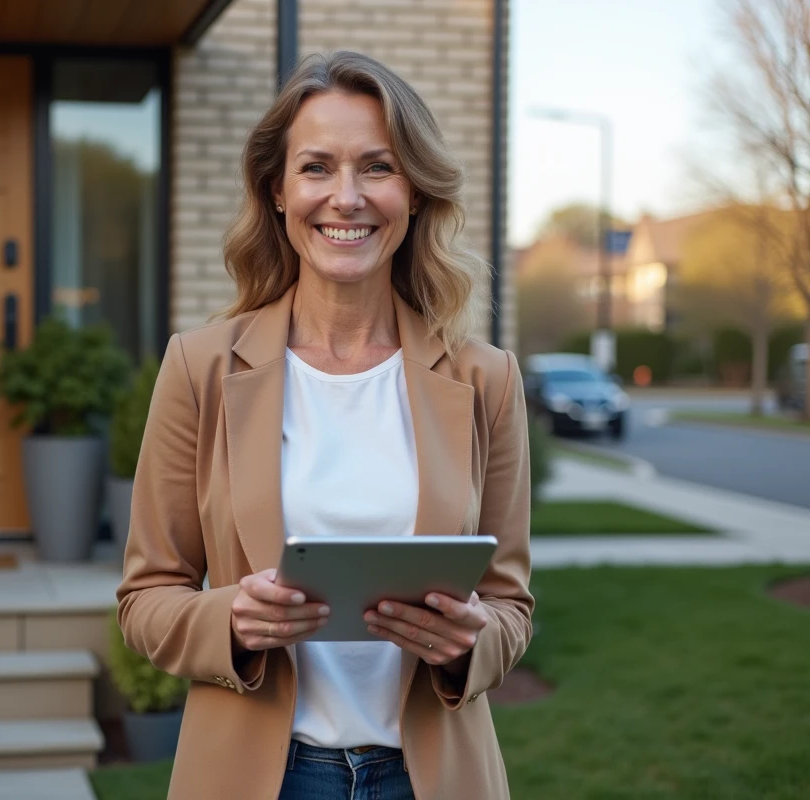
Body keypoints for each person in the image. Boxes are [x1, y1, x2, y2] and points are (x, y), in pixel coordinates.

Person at [116, 50, 533, 800]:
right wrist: (231, 619)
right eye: (316, 168)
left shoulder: (485, 379)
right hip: (259, 777)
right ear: (277, 191)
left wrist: (468, 643)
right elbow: (146, 598)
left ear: (414, 192)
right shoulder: (201, 368)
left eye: (377, 167)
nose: (347, 197)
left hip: (429, 775)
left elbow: (511, 606)